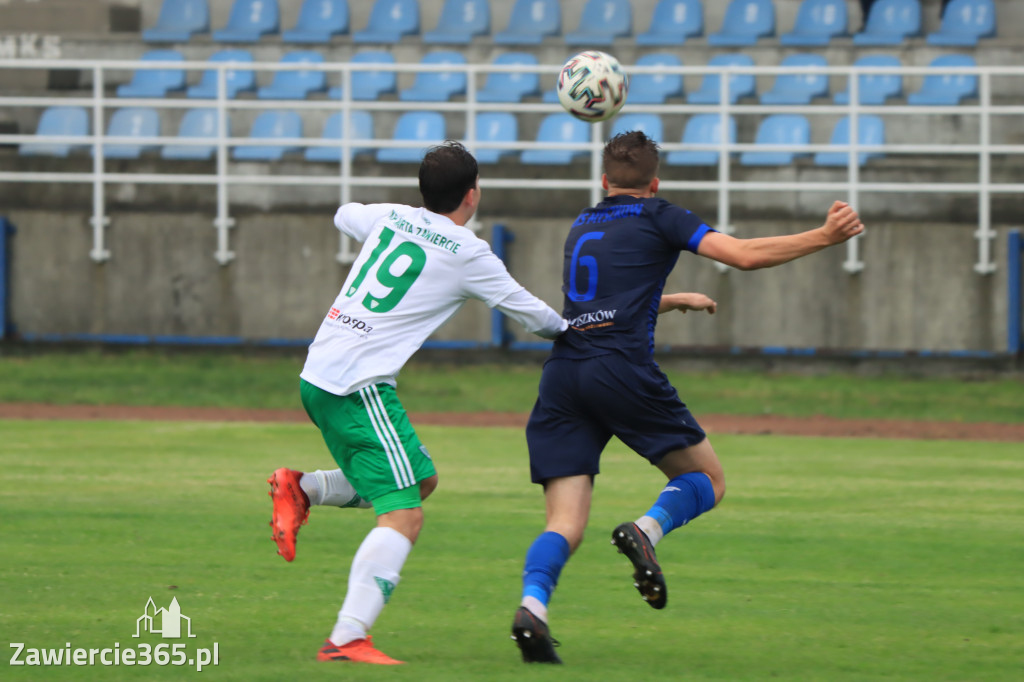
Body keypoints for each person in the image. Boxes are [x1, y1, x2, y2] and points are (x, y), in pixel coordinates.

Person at [510, 131, 864, 664]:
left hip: (563, 373)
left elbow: (601, 300)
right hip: (619, 370)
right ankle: (645, 529)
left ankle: (532, 609)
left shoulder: (583, 221)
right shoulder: (660, 214)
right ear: (654, 184)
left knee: (564, 523)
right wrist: (825, 236)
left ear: (604, 182)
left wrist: (669, 301)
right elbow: (742, 256)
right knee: (707, 479)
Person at [267, 141, 567, 665]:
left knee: (420, 482)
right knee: (404, 515)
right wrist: (575, 330)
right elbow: (536, 317)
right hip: (358, 387)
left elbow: (344, 213)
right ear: (472, 196)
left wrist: (379, 219)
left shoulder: (391, 218)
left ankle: (304, 488)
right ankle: (347, 637)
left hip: (319, 373)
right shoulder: (468, 252)